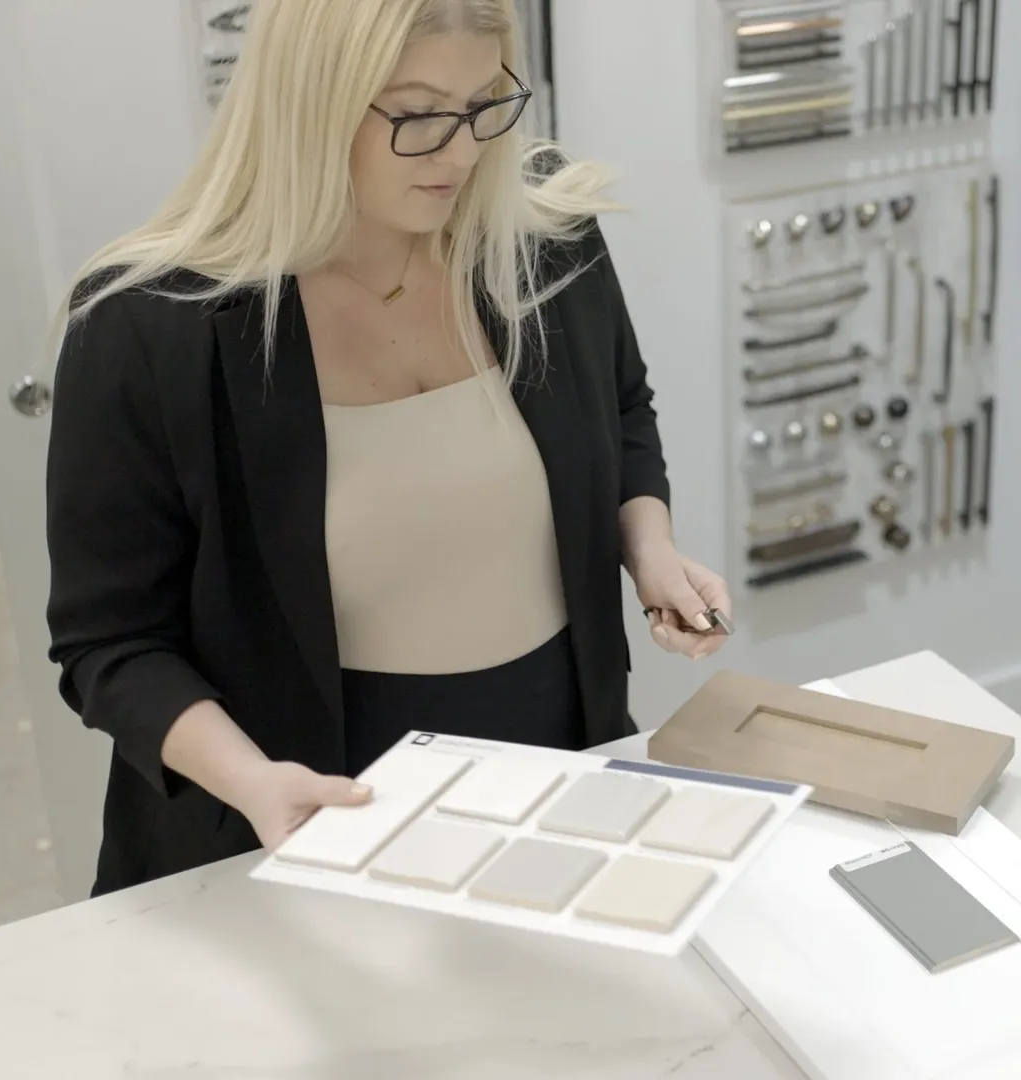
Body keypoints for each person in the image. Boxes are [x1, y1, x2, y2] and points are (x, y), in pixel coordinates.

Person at [44, 0, 730, 895]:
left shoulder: (540, 238)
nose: (462, 152)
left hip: (556, 773)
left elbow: (622, 408)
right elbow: (111, 642)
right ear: (308, 102)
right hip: (297, 813)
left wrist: (650, 550)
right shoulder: (150, 325)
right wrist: (252, 782)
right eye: (416, 115)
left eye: (484, 102)